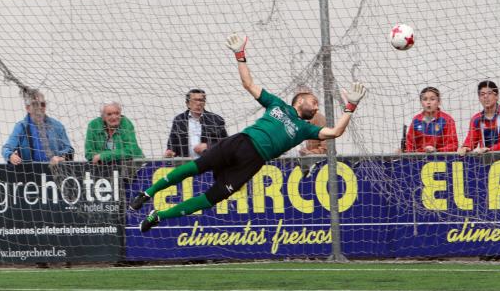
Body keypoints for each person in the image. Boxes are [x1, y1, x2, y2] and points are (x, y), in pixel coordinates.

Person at [131, 33, 367, 232]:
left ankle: (159, 216)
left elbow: (336, 131)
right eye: (314, 101)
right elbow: (248, 84)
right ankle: (147, 192)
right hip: (241, 142)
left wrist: (351, 107)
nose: (316, 106)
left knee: (212, 198)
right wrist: (240, 56)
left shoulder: (306, 128)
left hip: (253, 162)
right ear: (300, 100)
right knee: (196, 167)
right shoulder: (276, 104)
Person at [1, 88, 73, 165]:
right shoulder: (21, 127)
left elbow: (69, 150)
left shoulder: (57, 126)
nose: (39, 107)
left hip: (53, 171)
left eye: (42, 104)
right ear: (28, 108)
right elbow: (6, 148)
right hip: (29, 173)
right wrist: (11, 156)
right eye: (35, 104)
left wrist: (60, 158)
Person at [164, 89, 228, 158]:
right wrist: (170, 151)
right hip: (186, 164)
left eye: (201, 100)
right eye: (195, 100)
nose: (198, 103)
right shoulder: (179, 120)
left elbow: (225, 144)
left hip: (209, 163)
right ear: (187, 103)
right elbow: (172, 143)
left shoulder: (216, 120)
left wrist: (208, 146)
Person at [458, 80, 500, 155]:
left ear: (497, 96)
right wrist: (465, 147)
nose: (485, 96)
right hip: (485, 160)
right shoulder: (476, 119)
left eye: (489, 93)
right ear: (479, 98)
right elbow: (470, 141)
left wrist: (490, 150)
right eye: (482, 94)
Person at [404, 86, 458, 153]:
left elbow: (453, 145)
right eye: (425, 99)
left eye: (432, 99)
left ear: (439, 101)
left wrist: (436, 151)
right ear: (421, 102)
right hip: (418, 161)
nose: (428, 102)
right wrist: (405, 151)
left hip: (441, 160)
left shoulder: (447, 120)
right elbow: (409, 144)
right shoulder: (416, 120)